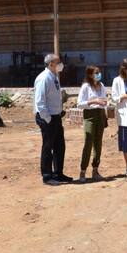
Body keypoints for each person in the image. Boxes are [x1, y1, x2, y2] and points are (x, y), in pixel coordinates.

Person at [33, 54, 73, 185]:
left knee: (59, 146)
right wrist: (48, 119)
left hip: (56, 116)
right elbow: (40, 101)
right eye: (58, 62)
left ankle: (58, 173)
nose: (61, 64)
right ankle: (47, 175)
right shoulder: (43, 78)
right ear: (51, 64)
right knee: (48, 146)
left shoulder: (54, 76)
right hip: (47, 117)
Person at [77, 65, 108, 183]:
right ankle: (83, 170)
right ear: (90, 75)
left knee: (98, 142)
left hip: (100, 114)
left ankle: (95, 169)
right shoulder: (86, 87)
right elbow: (80, 104)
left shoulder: (102, 86)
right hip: (90, 115)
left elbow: (104, 99)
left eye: (99, 72)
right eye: (96, 73)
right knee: (88, 141)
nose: (98, 74)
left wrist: (104, 104)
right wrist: (94, 101)